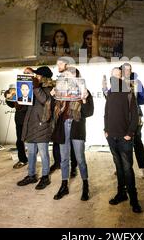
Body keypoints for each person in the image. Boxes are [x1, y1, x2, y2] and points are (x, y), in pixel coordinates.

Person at [51, 66, 93, 201]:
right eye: (66, 75)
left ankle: (85, 186)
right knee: (63, 159)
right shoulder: (60, 91)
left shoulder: (84, 91)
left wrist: (85, 99)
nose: (67, 78)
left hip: (77, 128)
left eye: (71, 75)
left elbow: (89, 112)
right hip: (62, 128)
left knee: (80, 158)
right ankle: (64, 186)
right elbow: (53, 112)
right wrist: (52, 97)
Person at [105, 76, 142, 213]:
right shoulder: (110, 94)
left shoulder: (128, 94)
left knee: (127, 169)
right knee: (119, 168)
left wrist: (130, 133)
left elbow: (135, 116)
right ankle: (121, 194)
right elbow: (106, 113)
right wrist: (106, 130)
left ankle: (134, 200)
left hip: (124, 138)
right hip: (111, 137)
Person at [17, 66, 55, 190]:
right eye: (36, 75)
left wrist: (36, 87)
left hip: (42, 124)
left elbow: (45, 100)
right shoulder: (34, 86)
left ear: (44, 77)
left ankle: (45, 177)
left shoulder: (50, 88)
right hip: (31, 124)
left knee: (43, 154)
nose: (36, 77)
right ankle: (31, 175)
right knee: (32, 152)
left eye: (38, 75)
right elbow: (27, 102)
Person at [50, 57, 78, 176]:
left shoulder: (74, 78)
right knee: (59, 141)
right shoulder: (59, 79)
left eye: (60, 64)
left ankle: (73, 167)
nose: (58, 66)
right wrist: (53, 95)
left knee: (71, 143)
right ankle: (59, 163)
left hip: (70, 116)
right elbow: (56, 99)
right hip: (60, 116)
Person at [121, 63, 144, 178]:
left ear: (131, 71)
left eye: (129, 70)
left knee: (137, 142)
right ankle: (122, 167)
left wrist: (135, 95)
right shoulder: (116, 82)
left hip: (135, 115)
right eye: (124, 70)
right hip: (120, 117)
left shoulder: (137, 82)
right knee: (121, 143)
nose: (127, 72)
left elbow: (143, 101)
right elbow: (109, 97)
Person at [4, 67, 34, 169]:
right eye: (24, 73)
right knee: (19, 141)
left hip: (32, 118)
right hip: (20, 118)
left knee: (33, 142)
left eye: (28, 73)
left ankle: (33, 160)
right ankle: (22, 160)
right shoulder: (18, 87)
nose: (26, 74)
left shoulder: (36, 87)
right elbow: (12, 104)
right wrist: (8, 97)